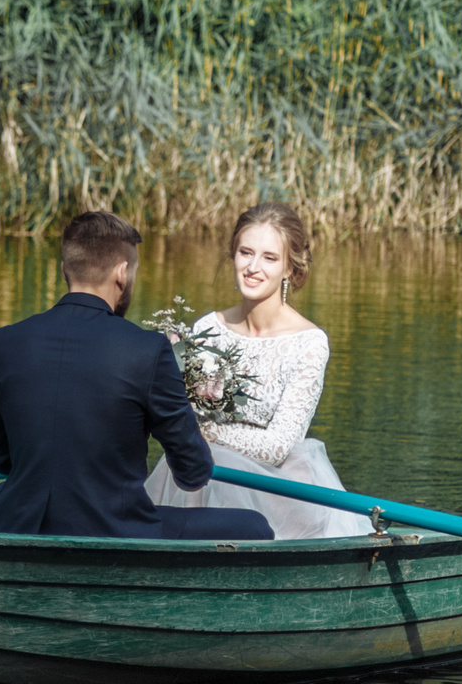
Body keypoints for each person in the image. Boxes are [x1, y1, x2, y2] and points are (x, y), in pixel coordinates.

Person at [0, 210, 274, 541]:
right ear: (122, 273)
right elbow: (193, 473)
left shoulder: (4, 342)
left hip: (17, 522)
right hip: (112, 530)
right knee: (256, 526)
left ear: (64, 270)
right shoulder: (147, 349)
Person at [144, 202, 373, 539]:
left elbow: (278, 446)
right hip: (199, 479)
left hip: (277, 487)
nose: (252, 267)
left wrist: (204, 433)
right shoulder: (210, 327)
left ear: (289, 269)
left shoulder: (309, 343)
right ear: (233, 256)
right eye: (245, 253)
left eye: (269, 257)